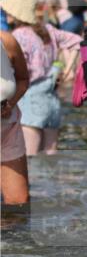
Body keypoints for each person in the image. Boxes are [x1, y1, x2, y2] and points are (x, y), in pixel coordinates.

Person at [1, 0, 81, 155]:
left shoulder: (17, 36)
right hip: (52, 99)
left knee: (30, 157)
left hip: (30, 98)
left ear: (17, 11)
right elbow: (77, 41)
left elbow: (16, 74)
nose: (4, 11)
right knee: (50, 155)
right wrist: (67, 69)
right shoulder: (49, 30)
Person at [1, 30, 30, 205]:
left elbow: (23, 80)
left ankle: (10, 233)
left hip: (7, 127)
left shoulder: (6, 41)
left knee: (19, 202)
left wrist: (10, 103)